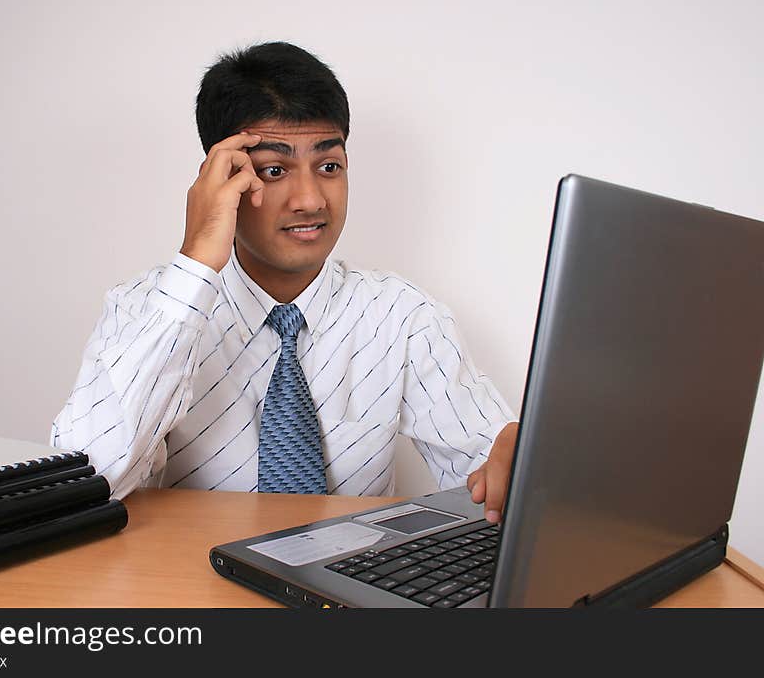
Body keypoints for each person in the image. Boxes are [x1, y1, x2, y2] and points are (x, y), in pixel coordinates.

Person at [51, 41, 518, 523]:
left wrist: (512, 457)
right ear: (223, 176)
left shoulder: (402, 317)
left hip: (344, 589)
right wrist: (194, 264)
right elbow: (88, 483)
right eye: (275, 170)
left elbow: (492, 474)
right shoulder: (144, 310)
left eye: (329, 166)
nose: (310, 199)